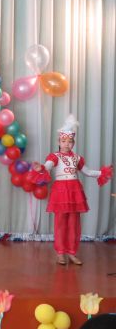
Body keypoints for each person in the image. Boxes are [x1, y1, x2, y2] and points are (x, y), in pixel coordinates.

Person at [33, 114, 113, 265]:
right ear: (59, 142)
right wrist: (41, 168)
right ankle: (60, 253)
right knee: (60, 223)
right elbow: (48, 166)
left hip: (75, 190)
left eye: (70, 142)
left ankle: (72, 252)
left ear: (73, 143)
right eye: (63, 141)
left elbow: (87, 172)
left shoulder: (77, 158)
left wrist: (103, 173)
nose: (67, 144)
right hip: (61, 191)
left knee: (74, 224)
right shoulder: (54, 156)